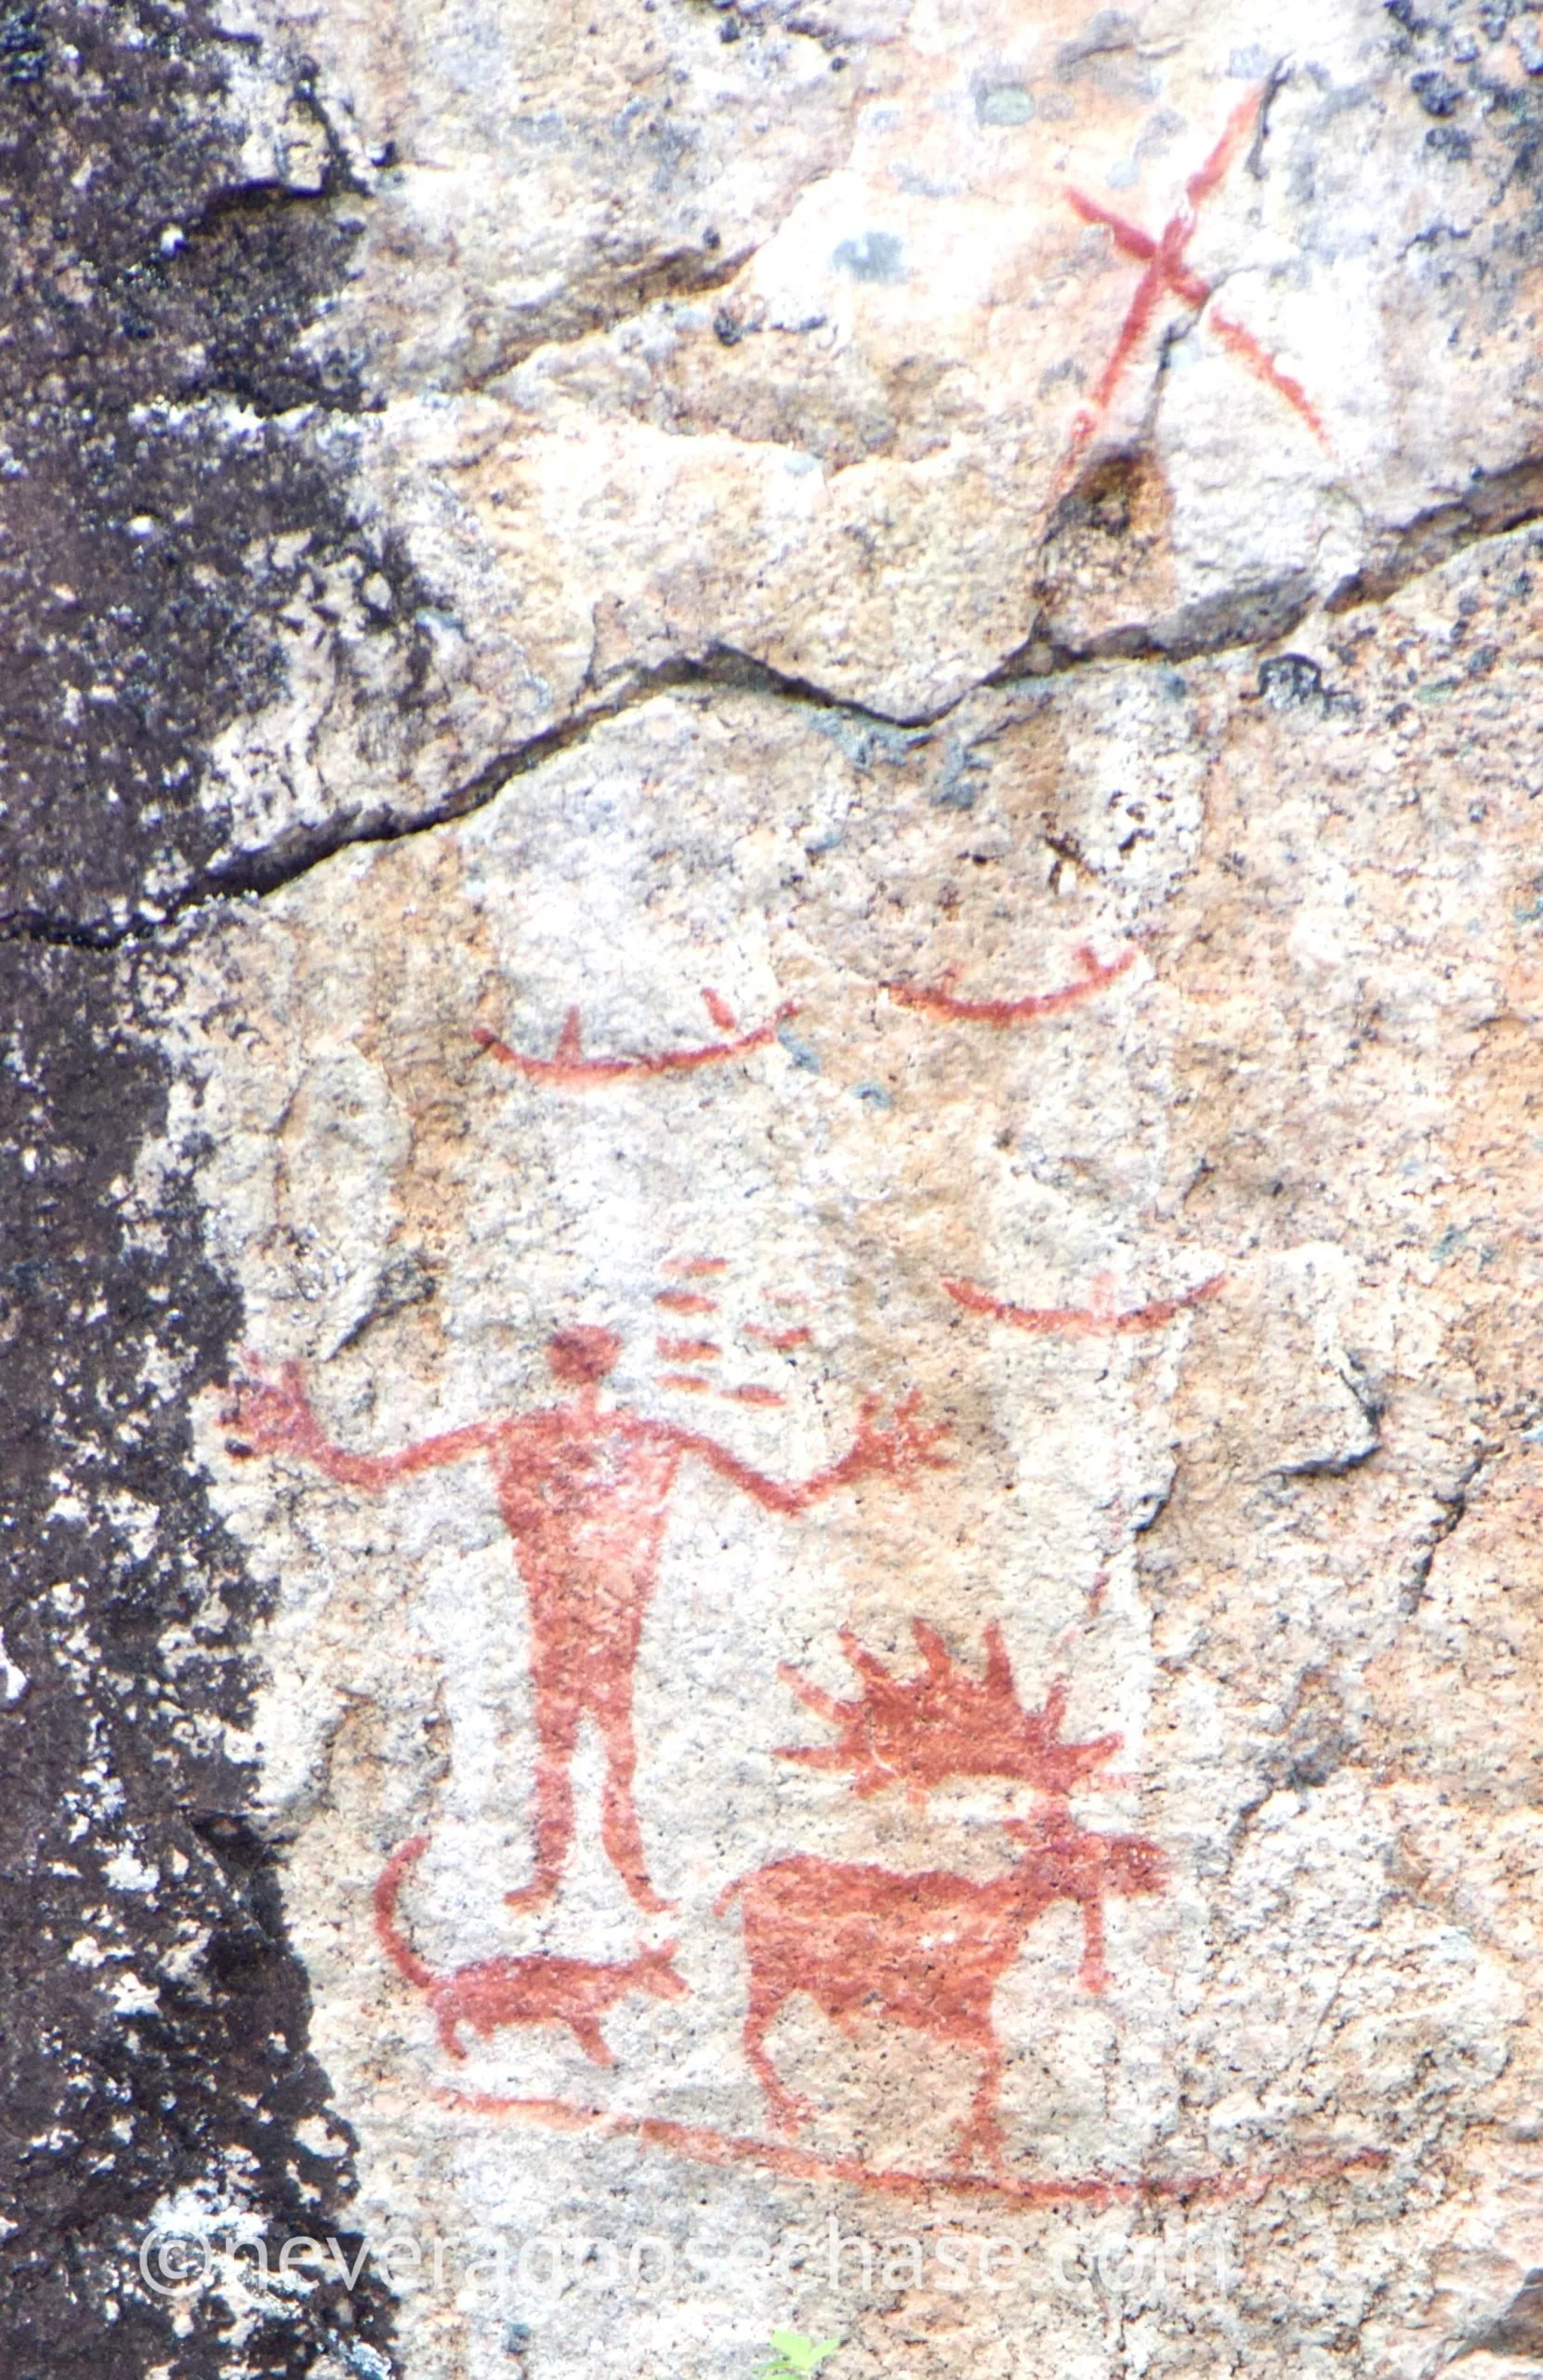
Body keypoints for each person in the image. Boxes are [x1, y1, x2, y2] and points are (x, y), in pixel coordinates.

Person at [225, 1328, 949, 1913]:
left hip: (579, 1614)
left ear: (560, 1366)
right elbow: (786, 1496)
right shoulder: (647, 1436)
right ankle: (601, 1879)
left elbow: (374, 1470)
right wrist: (859, 1464)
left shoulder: (530, 1433)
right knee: (602, 1739)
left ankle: (578, 1878)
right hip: (594, 1614)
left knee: (569, 1738)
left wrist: (304, 1436)